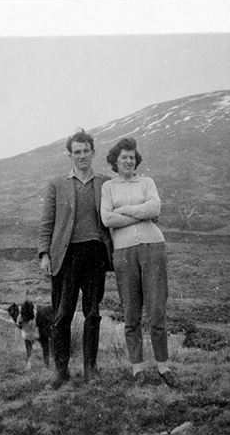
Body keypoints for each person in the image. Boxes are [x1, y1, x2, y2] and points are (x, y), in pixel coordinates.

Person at [38, 129, 113, 389]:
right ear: (70, 155)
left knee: (92, 313)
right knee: (62, 315)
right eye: (77, 152)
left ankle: (90, 369)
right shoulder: (57, 184)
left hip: (95, 255)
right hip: (65, 256)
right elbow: (47, 222)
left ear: (93, 152)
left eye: (86, 151)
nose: (82, 156)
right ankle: (61, 371)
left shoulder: (105, 183)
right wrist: (44, 253)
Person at [100, 137, 175, 387]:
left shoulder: (147, 182)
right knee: (131, 312)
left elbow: (155, 209)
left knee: (156, 311)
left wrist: (124, 211)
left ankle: (163, 367)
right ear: (115, 160)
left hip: (153, 248)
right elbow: (107, 219)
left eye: (132, 157)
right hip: (124, 252)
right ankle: (137, 368)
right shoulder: (108, 187)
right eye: (124, 157)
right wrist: (140, 213)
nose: (128, 161)